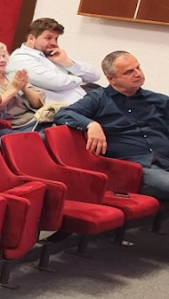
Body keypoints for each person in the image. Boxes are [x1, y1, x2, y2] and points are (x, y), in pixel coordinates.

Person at [54, 51, 169, 202]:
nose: (138, 73)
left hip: (165, 159)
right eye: (129, 72)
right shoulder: (98, 99)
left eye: (138, 67)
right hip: (136, 169)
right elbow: (63, 114)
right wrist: (91, 124)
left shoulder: (159, 101)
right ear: (111, 79)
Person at [9, 17, 101, 108]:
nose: (54, 43)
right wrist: (80, 78)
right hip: (67, 109)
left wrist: (68, 62)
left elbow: (95, 76)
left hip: (87, 100)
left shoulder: (52, 55)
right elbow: (56, 82)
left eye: (56, 38)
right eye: (48, 38)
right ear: (31, 38)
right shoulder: (20, 58)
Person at [0, 40, 44, 131]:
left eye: (4, 56)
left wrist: (24, 87)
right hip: (16, 126)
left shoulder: (13, 75)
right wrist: (14, 89)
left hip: (36, 118)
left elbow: (38, 104)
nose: (2, 60)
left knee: (62, 116)